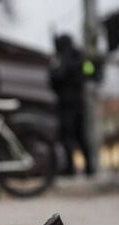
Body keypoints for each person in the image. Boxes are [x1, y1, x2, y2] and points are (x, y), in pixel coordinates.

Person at [49, 34, 95, 176]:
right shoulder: (80, 57)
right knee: (81, 136)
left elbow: (56, 76)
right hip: (78, 102)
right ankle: (89, 168)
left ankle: (70, 168)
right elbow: (90, 71)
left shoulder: (61, 58)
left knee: (68, 137)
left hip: (66, 103)